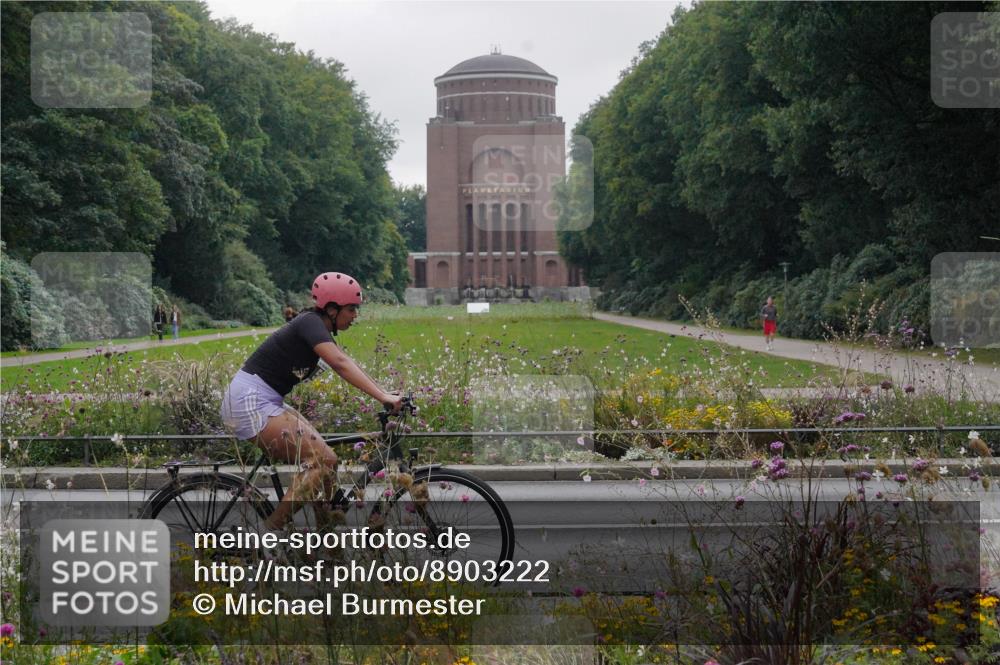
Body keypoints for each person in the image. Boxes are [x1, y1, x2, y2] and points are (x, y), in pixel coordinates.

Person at [220, 272, 402, 535]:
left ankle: (326, 544)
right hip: (249, 401)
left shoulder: (317, 327)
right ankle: (268, 534)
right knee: (322, 460)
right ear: (331, 309)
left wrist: (384, 392)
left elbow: (346, 362)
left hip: (264, 398)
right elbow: (340, 365)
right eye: (351, 309)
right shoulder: (309, 323)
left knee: (328, 464)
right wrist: (383, 397)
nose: (355, 316)